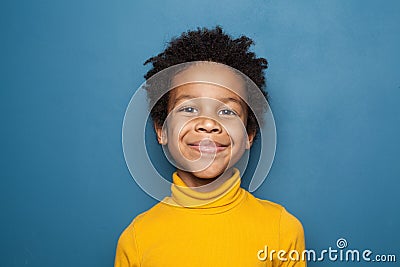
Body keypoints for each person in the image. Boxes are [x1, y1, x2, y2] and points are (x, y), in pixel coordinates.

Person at [115, 26, 306, 267]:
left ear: (249, 134)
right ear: (161, 129)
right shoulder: (137, 239)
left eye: (227, 111)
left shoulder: (282, 230)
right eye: (189, 109)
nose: (208, 123)